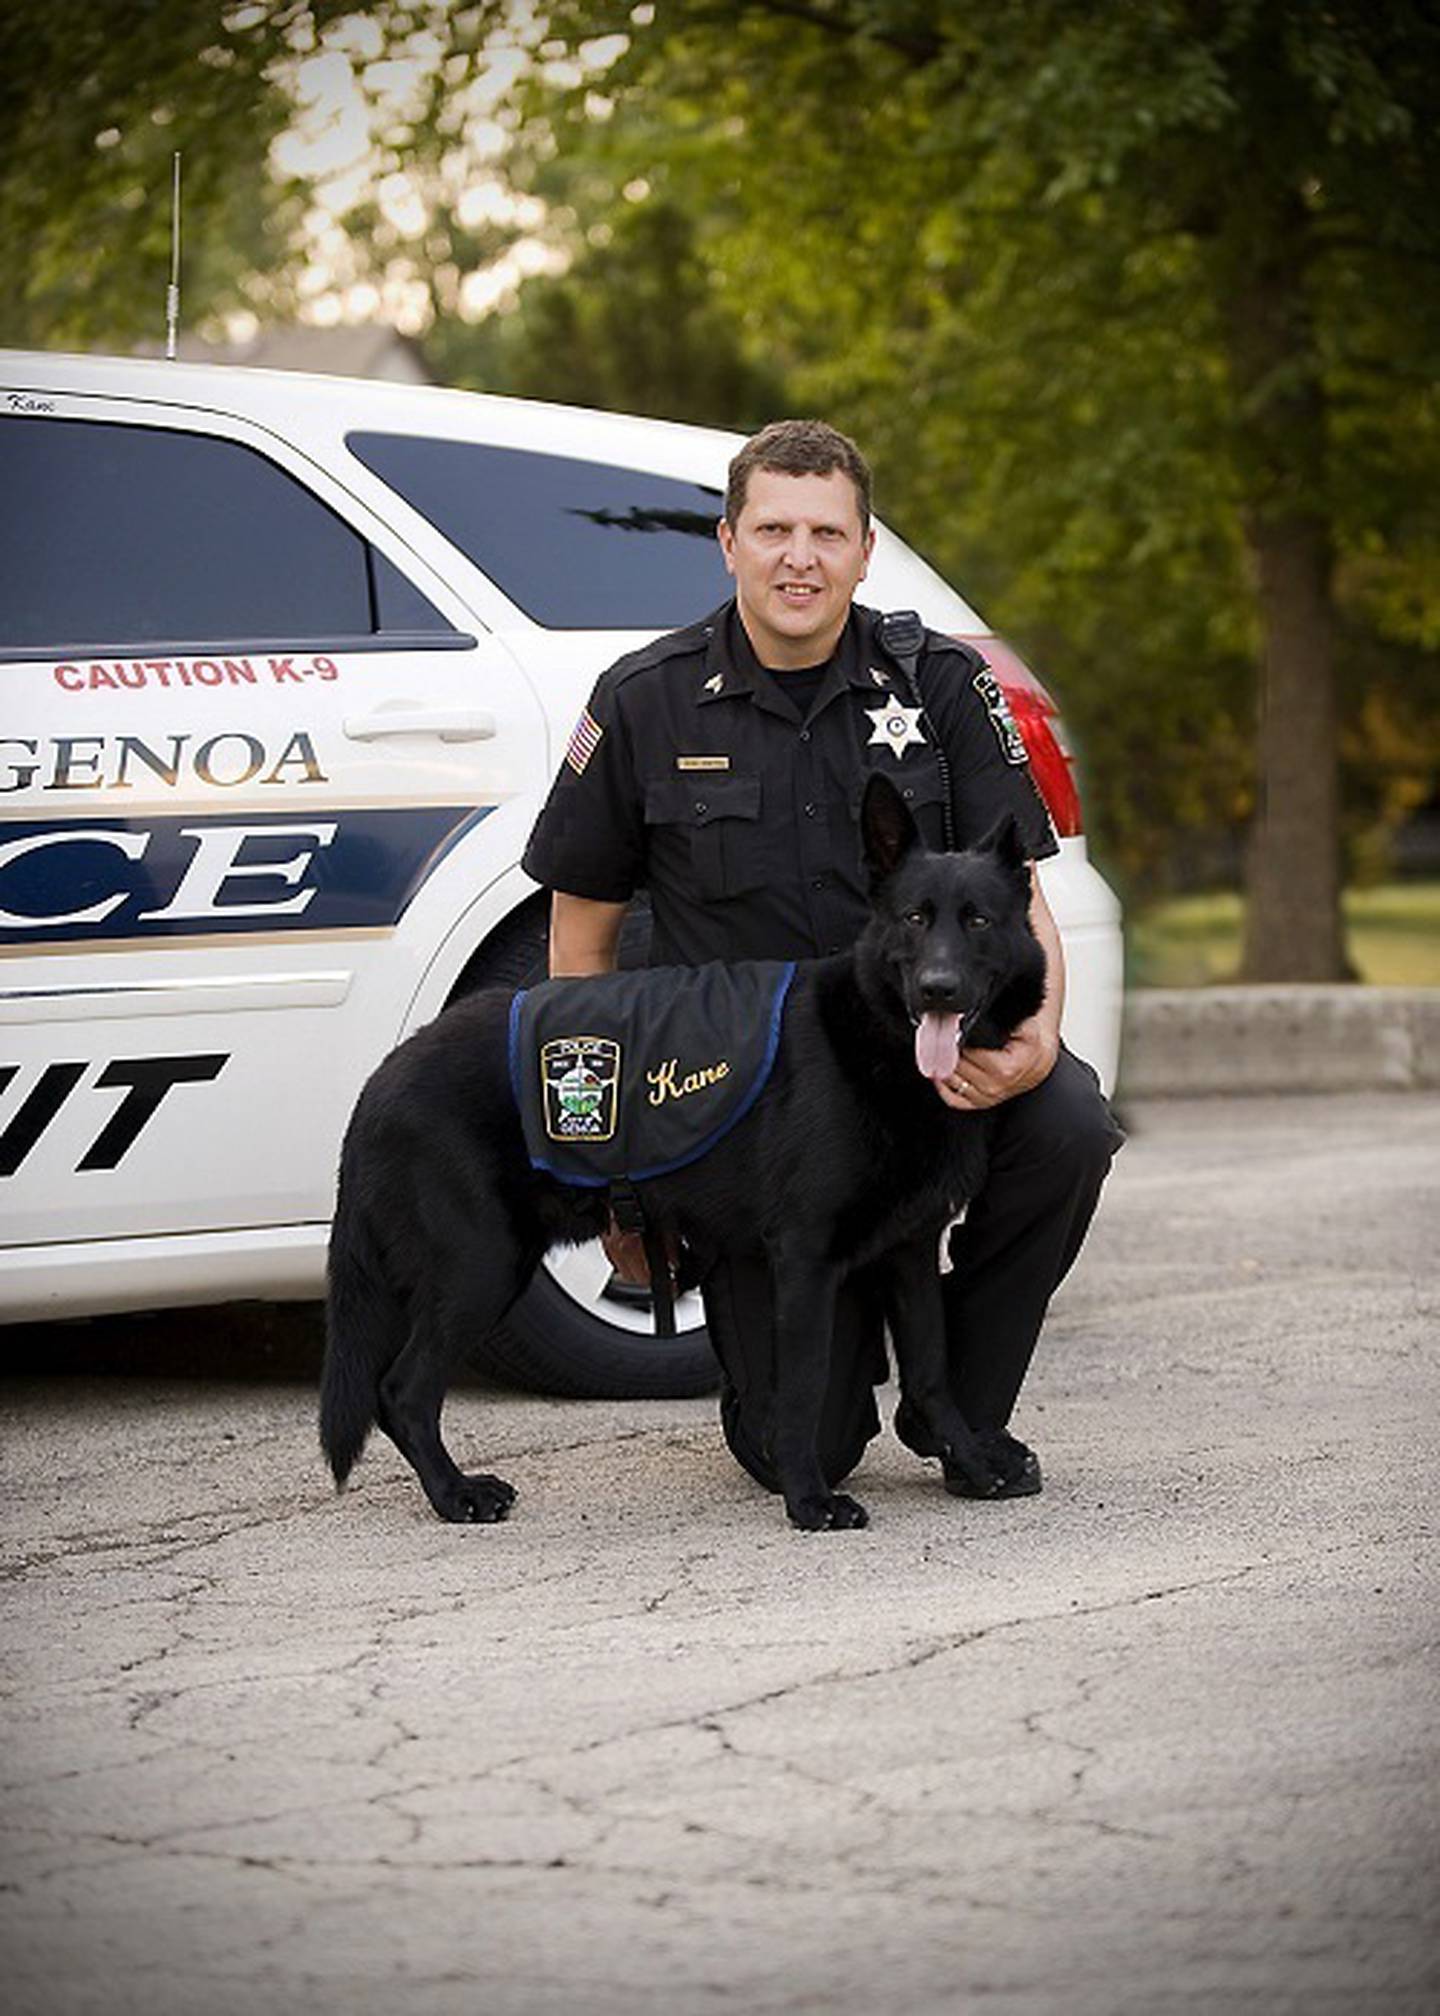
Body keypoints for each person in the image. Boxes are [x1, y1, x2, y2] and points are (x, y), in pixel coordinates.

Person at [522, 419, 1122, 1499]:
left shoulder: (937, 686)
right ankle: (838, 1371)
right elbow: (581, 949)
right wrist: (615, 1177)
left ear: (865, 547)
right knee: (799, 1450)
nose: (800, 556)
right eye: (774, 529)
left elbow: (1022, 896)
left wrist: (1031, 1048)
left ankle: (961, 1413)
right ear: (728, 543)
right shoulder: (642, 701)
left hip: (929, 1061)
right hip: (755, 1108)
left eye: (825, 532)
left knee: (1071, 1120)